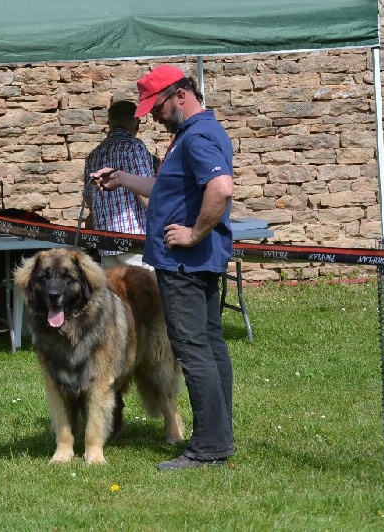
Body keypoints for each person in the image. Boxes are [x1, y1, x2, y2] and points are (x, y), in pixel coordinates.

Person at [91, 65, 235, 470]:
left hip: (186, 262)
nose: (152, 116)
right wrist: (122, 179)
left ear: (179, 95)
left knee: (193, 350)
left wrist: (192, 233)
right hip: (191, 262)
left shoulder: (199, 136)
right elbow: (166, 189)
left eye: (156, 106)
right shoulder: (191, 135)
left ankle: (209, 448)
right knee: (209, 346)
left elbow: (221, 189)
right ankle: (220, 436)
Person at [83, 100, 155, 268]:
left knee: (113, 293)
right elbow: (146, 194)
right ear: (138, 124)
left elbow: (89, 199)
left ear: (108, 124)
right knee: (143, 293)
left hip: (106, 240)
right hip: (134, 238)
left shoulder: (94, 154)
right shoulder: (134, 147)